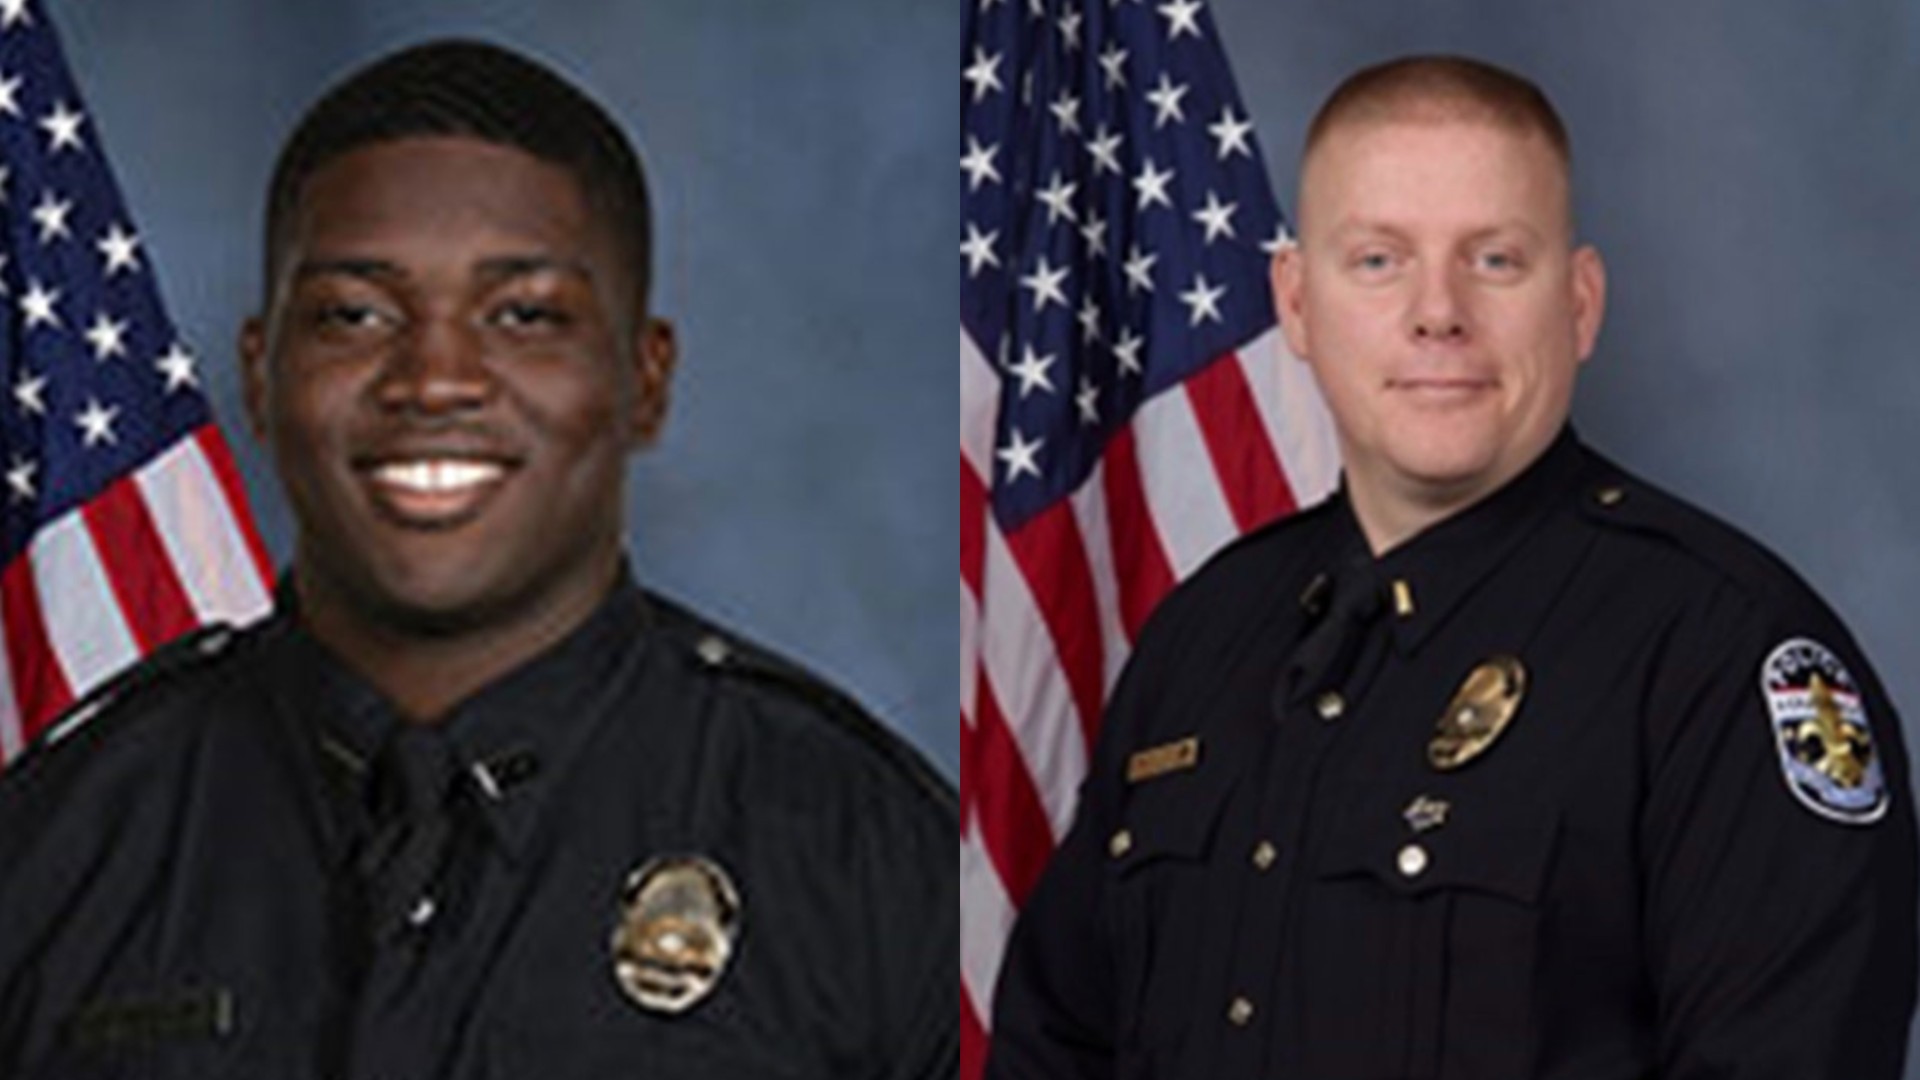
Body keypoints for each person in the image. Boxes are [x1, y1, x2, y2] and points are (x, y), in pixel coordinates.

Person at [0, 39, 956, 1079]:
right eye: (354, 315)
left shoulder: (859, 849)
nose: (435, 379)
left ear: (645, 381)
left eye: (524, 316)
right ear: (262, 377)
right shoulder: (58, 843)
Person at [987, 55, 1916, 1079]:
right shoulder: (1201, 639)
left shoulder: (1720, 658)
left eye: (1496, 260)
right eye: (1379, 260)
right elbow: (1055, 1042)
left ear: (1581, 303)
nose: (1439, 313)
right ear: (1295, 304)